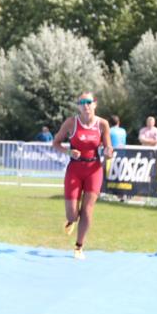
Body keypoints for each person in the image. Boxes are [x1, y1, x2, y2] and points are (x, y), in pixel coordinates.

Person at [53, 93, 113, 260]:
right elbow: (55, 143)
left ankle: (79, 246)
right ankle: (71, 220)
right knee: (72, 214)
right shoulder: (71, 123)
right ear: (78, 106)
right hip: (75, 170)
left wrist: (109, 152)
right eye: (82, 103)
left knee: (87, 210)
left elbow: (108, 147)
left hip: (94, 169)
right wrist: (68, 151)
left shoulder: (102, 124)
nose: (85, 105)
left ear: (95, 104)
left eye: (88, 102)